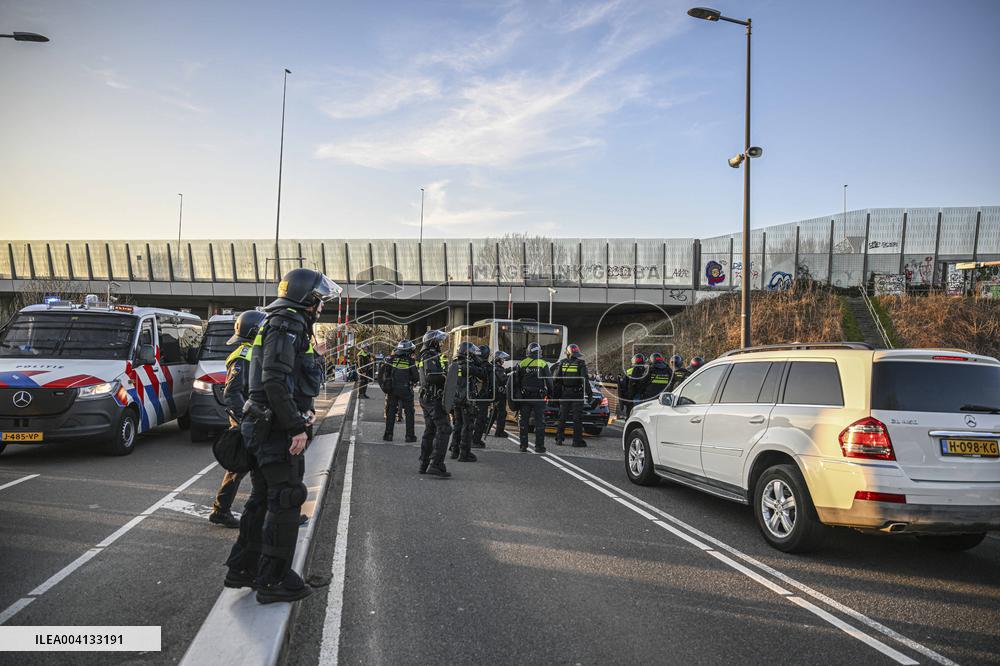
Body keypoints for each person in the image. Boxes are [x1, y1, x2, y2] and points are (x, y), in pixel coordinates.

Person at [224, 267, 338, 604]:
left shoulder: (279, 321)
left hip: (265, 423)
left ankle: (245, 568)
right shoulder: (287, 324)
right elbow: (273, 380)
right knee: (286, 498)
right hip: (274, 429)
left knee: (263, 498)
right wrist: (295, 426)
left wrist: (303, 409)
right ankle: (273, 579)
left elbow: (280, 381)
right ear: (307, 297)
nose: (321, 305)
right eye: (318, 299)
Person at [209, 309, 266, 529]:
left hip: (252, 418)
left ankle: (221, 510)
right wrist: (245, 419)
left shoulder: (253, 351)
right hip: (248, 419)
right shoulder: (243, 355)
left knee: (244, 467)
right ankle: (224, 511)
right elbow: (232, 392)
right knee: (251, 466)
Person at [417, 330, 452, 477]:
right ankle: (436, 464)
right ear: (432, 342)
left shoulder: (427, 354)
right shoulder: (429, 355)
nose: (441, 344)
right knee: (444, 428)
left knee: (430, 430)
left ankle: (424, 463)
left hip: (428, 397)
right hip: (433, 398)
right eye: (438, 341)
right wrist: (446, 377)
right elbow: (431, 376)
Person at [509, 341, 553, 453]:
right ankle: (539, 447)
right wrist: (550, 395)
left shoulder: (522, 363)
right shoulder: (543, 364)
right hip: (538, 398)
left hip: (525, 398)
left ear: (528, 351)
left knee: (524, 422)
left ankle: (523, 446)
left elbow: (516, 381)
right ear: (539, 352)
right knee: (540, 422)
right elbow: (549, 381)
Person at [552, 343, 593, 447]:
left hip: (565, 393)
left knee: (562, 417)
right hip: (577, 394)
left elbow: (556, 379)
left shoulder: (562, 363)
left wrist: (555, 395)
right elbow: (585, 380)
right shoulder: (581, 363)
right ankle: (577, 441)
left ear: (568, 353)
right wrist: (589, 394)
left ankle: (559, 439)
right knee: (577, 418)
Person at [446, 341, 481, 462]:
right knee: (468, 426)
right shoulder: (468, 366)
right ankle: (464, 453)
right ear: (468, 352)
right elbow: (482, 372)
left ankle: (454, 451)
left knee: (458, 425)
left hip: (456, 400)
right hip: (467, 401)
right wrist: (475, 358)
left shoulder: (453, 365)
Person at [381, 340, 419, 442]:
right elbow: (416, 377)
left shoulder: (391, 359)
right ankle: (409, 436)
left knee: (391, 412)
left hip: (392, 390)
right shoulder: (410, 361)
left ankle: (388, 435)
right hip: (406, 390)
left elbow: (384, 374)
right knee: (409, 413)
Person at [470, 343, 493, 448]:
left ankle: (467, 438)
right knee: (481, 420)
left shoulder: (472, 364)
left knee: (469, 419)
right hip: (483, 397)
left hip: (471, 395)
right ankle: (476, 441)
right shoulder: (488, 367)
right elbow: (492, 383)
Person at [487, 351, 510, 437]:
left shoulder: (494, 367)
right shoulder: (498, 368)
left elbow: (504, 372)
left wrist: (513, 368)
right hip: (499, 394)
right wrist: (510, 377)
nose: (503, 360)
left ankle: (486, 429)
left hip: (495, 393)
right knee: (502, 413)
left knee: (494, 412)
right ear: (498, 360)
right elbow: (503, 379)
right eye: (502, 359)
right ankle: (499, 432)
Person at [622, 353, 648, 418]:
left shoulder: (630, 371)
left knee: (632, 412)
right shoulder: (647, 371)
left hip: (633, 395)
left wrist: (628, 395)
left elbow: (625, 384)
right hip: (644, 395)